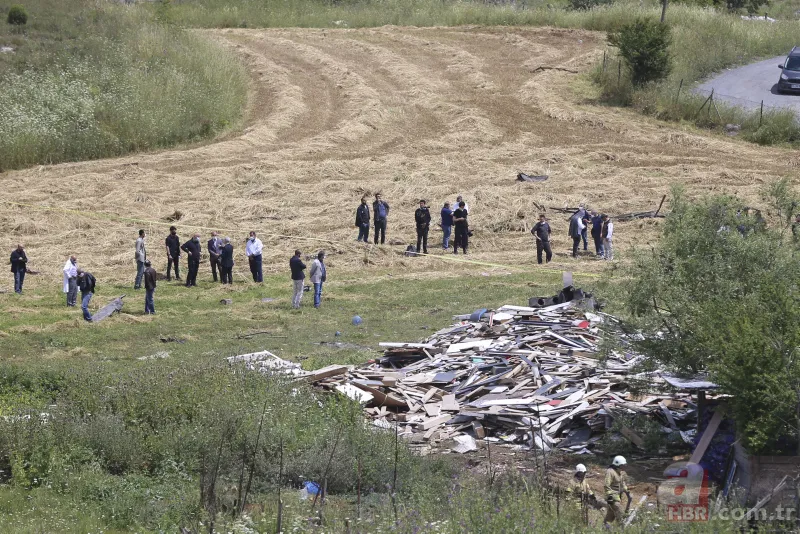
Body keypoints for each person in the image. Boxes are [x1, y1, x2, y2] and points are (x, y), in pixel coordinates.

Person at [604, 456, 631, 526]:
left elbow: (622, 483)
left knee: (611, 515)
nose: (624, 467)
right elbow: (606, 485)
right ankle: (621, 528)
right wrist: (611, 495)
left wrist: (626, 489)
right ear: (618, 464)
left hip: (618, 496)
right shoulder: (610, 472)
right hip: (612, 497)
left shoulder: (620, 472)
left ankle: (605, 527)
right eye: (623, 465)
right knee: (620, 511)